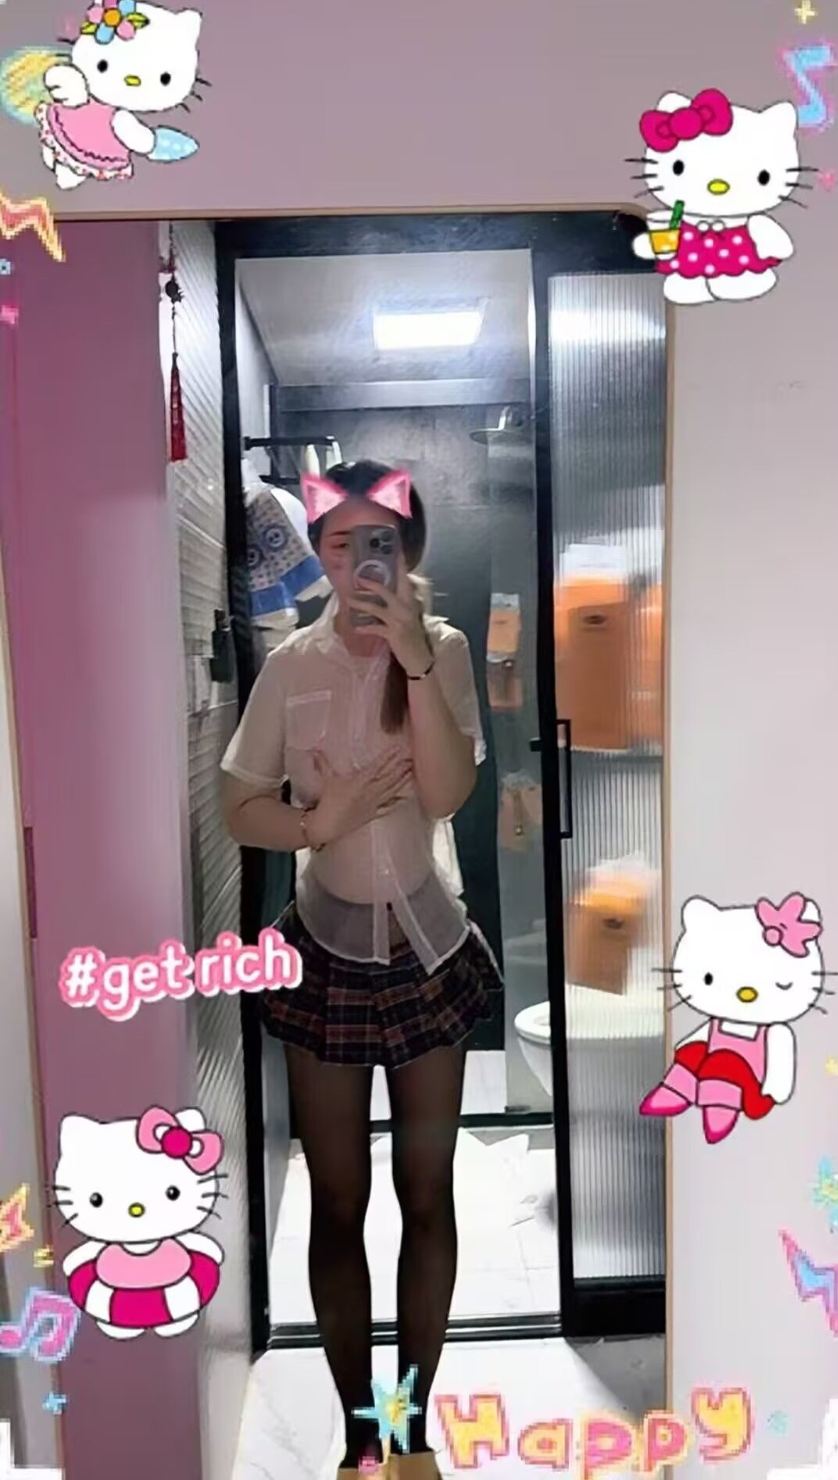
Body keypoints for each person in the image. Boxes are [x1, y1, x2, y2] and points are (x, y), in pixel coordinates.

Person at [221, 460, 502, 1479]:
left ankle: (413, 1427)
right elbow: (238, 803)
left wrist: (416, 663)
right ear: (320, 556)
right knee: (337, 1201)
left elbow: (449, 791)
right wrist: (319, 820)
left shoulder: (446, 650)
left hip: (428, 948)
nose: (358, 559)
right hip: (324, 952)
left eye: (377, 539)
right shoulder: (290, 665)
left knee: (426, 1192)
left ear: (407, 546)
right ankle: (359, 1435)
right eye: (338, 543)